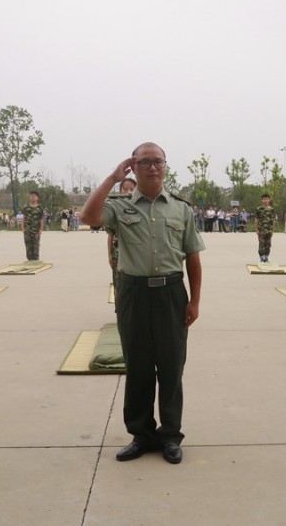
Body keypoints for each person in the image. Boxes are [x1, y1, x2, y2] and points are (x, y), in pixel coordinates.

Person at [81, 142, 204, 465]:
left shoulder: (180, 209)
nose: (152, 167)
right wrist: (111, 178)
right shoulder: (120, 207)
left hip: (171, 293)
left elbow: (192, 257)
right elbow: (87, 216)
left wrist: (195, 301)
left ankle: (170, 436)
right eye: (145, 162)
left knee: (171, 366)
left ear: (166, 166)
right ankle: (141, 434)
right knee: (137, 367)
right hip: (133, 293)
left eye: (158, 162)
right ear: (133, 168)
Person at [105, 177, 137, 295]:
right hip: (118, 256)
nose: (128, 191)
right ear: (120, 190)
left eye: (132, 189)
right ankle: (120, 310)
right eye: (125, 188)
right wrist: (109, 255)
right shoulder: (115, 209)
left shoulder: (141, 208)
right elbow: (110, 235)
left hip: (136, 256)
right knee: (119, 288)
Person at [21, 191, 44, 261]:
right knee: (28, 249)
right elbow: (23, 218)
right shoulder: (26, 207)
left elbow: (41, 219)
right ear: (29, 197)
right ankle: (30, 263)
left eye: (34, 196)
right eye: (31, 195)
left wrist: (41, 229)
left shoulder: (40, 208)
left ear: (37, 198)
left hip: (36, 231)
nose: (33, 197)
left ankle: (36, 262)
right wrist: (23, 229)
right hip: (27, 231)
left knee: (36, 248)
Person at [254, 194, 275, 262]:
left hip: (268, 230)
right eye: (264, 199)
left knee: (268, 245)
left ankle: (266, 257)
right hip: (261, 230)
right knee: (261, 244)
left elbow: (272, 220)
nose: (265, 200)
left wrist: (272, 230)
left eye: (267, 199)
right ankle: (261, 257)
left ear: (269, 200)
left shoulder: (271, 209)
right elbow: (256, 219)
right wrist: (256, 229)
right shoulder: (259, 209)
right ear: (262, 200)